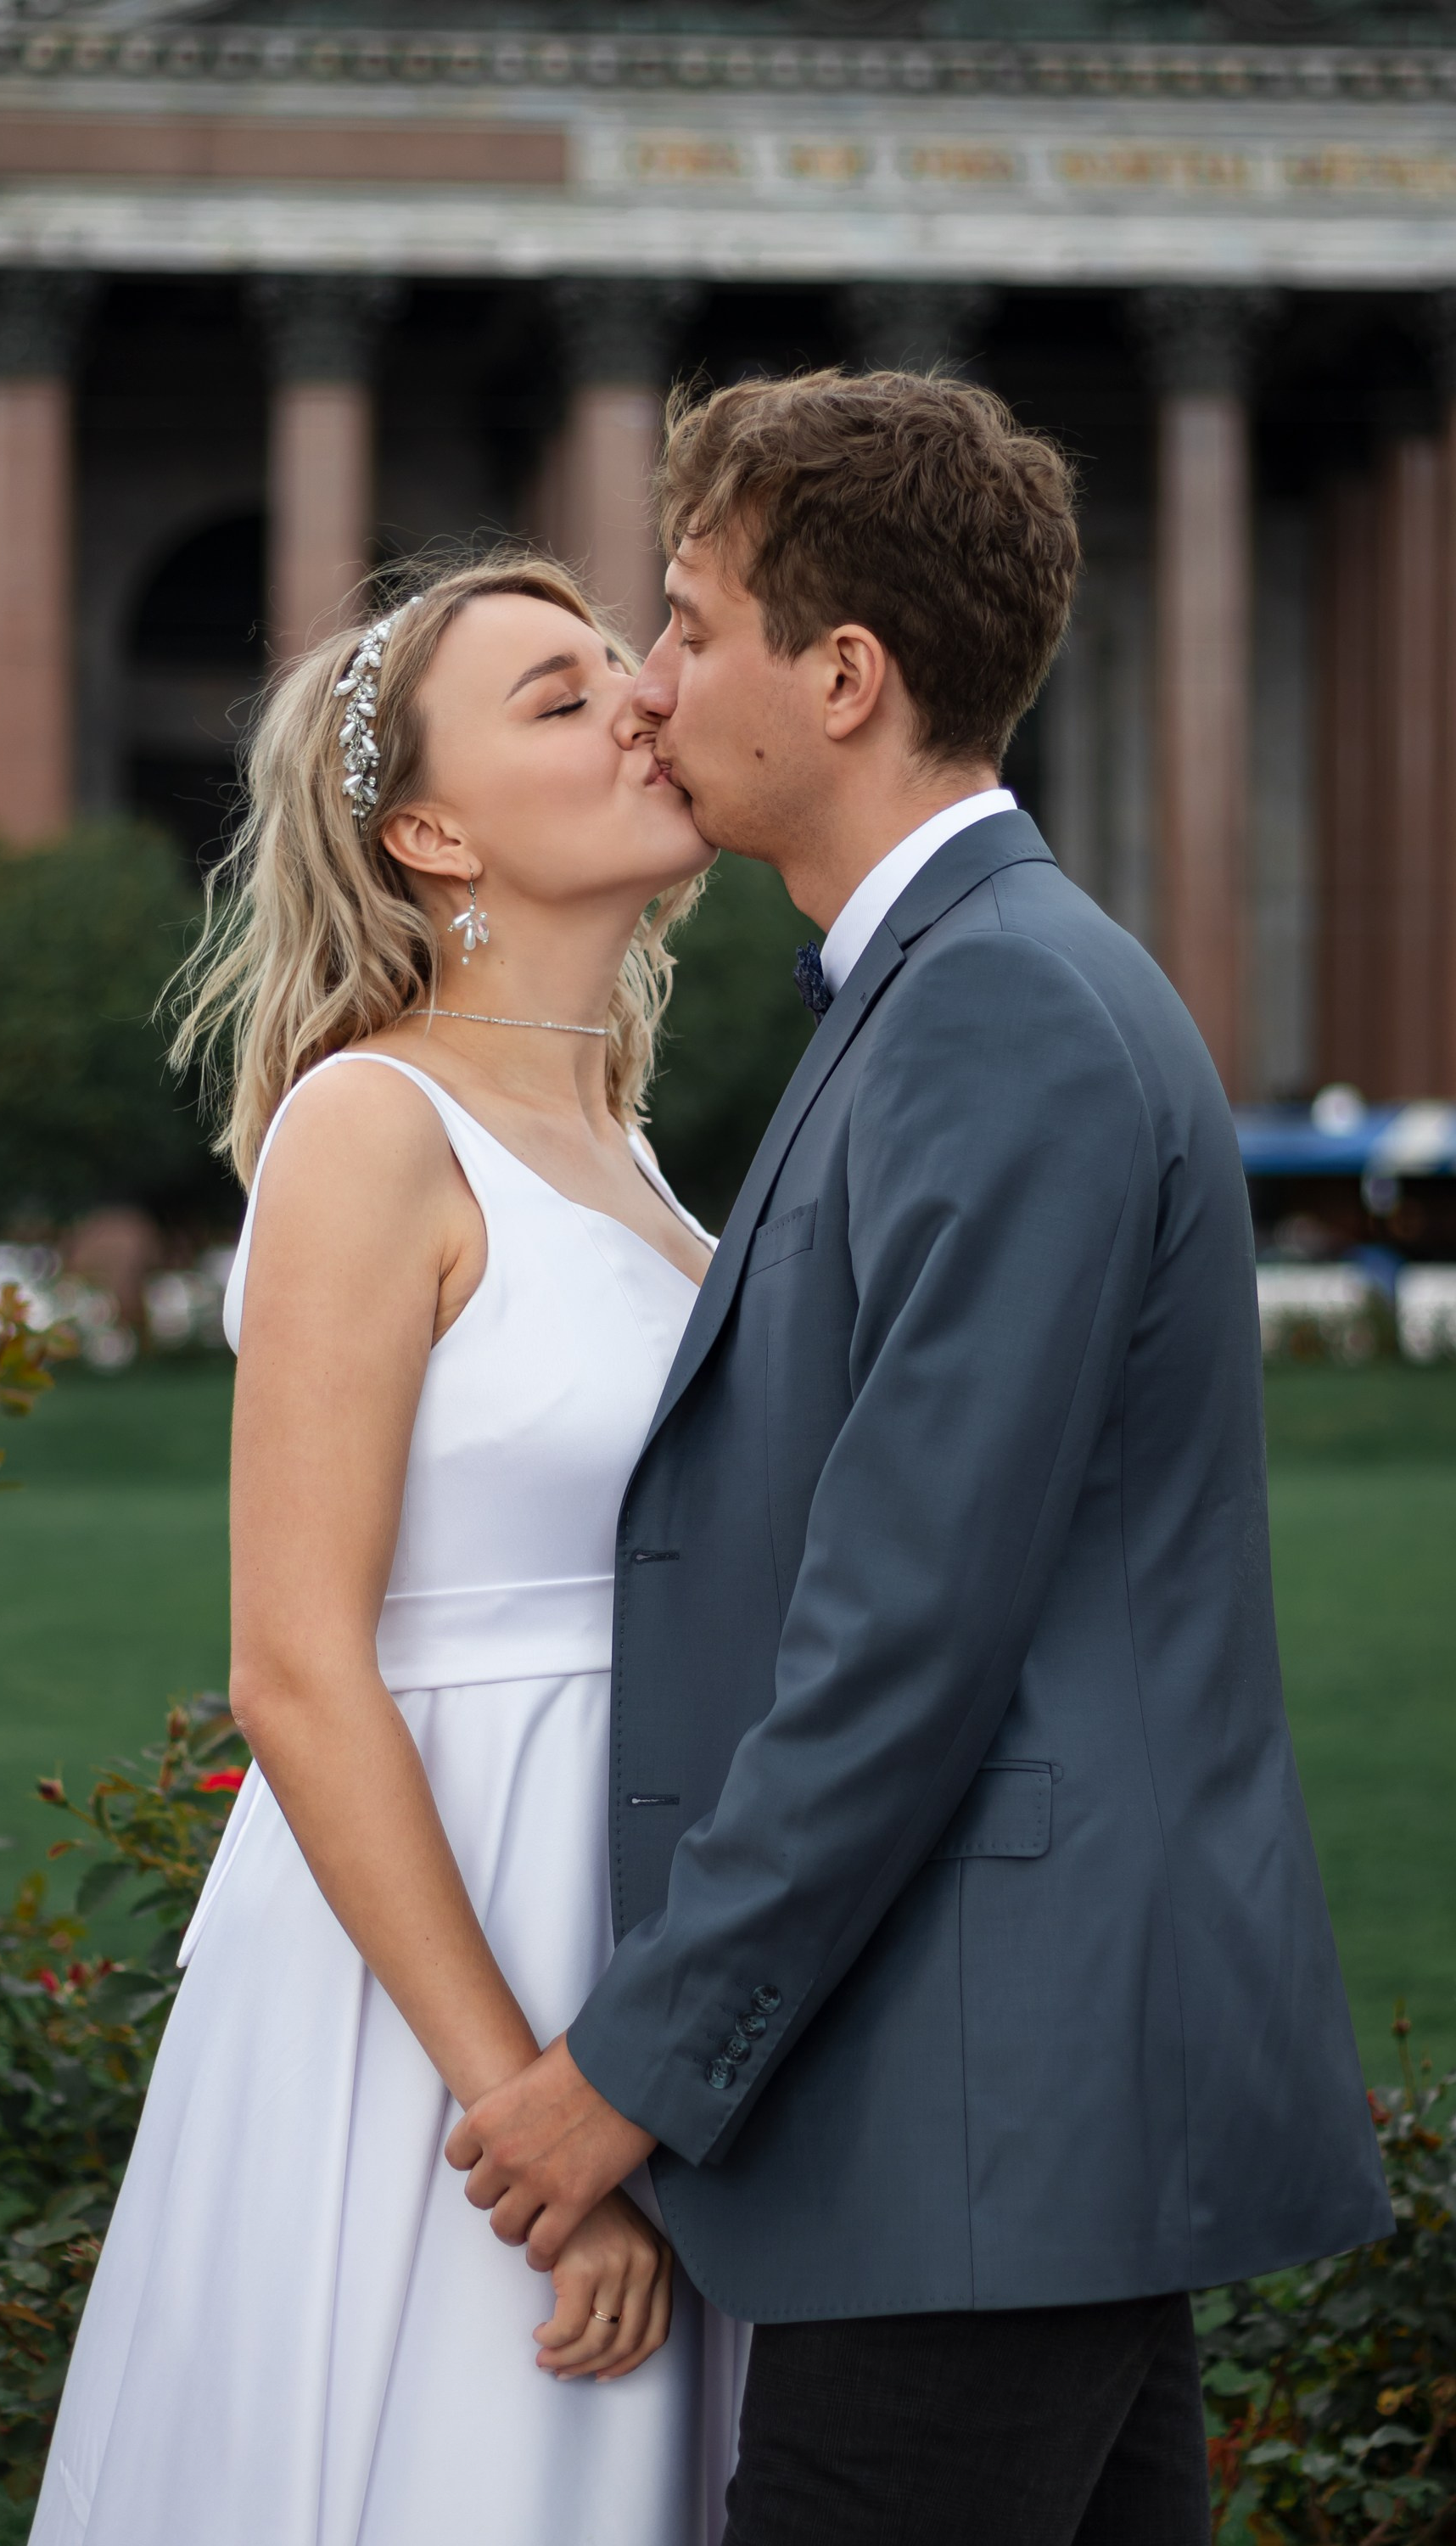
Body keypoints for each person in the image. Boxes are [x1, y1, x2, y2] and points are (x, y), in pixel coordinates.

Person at [445, 370, 1395, 2545]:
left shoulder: (996, 1009)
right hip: (1012, 2107)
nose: (653, 685)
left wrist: (628, 2070)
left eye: (688, 626)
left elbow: (902, 1633)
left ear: (844, 676)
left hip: (981, 2096)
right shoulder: (945, 986)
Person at [27, 555, 749, 2546]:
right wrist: (531, 2114)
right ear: (430, 835)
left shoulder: (625, 1138)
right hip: (441, 1980)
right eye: (555, 694)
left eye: (626, 662)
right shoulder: (371, 1127)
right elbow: (296, 1666)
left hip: (633, 1939)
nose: (637, 701)